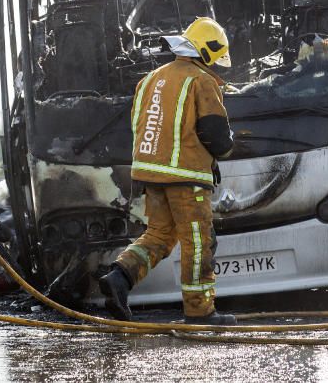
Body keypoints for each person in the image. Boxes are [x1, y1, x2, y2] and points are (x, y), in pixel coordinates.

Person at [98, 17, 237, 324]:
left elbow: (141, 124)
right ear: (207, 52)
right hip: (186, 176)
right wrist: (229, 146)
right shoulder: (201, 81)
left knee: (160, 234)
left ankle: (119, 277)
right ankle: (200, 311)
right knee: (198, 241)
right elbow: (215, 134)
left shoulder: (151, 79)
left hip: (151, 173)